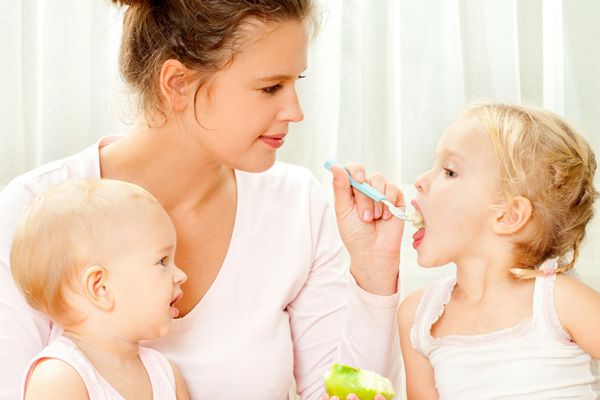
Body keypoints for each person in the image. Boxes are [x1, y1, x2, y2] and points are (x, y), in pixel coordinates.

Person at [0, 1, 403, 399]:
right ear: (178, 84)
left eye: (296, 81)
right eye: (270, 87)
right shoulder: (33, 211)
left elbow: (341, 392)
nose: (295, 111)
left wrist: (373, 273)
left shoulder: (298, 206)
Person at [395, 102, 600, 399]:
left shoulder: (561, 301)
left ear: (508, 215)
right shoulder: (418, 317)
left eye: (449, 171)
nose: (420, 181)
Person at [10, 179, 190, 400]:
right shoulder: (59, 378)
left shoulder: (165, 373)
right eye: (163, 261)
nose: (181, 275)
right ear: (100, 287)